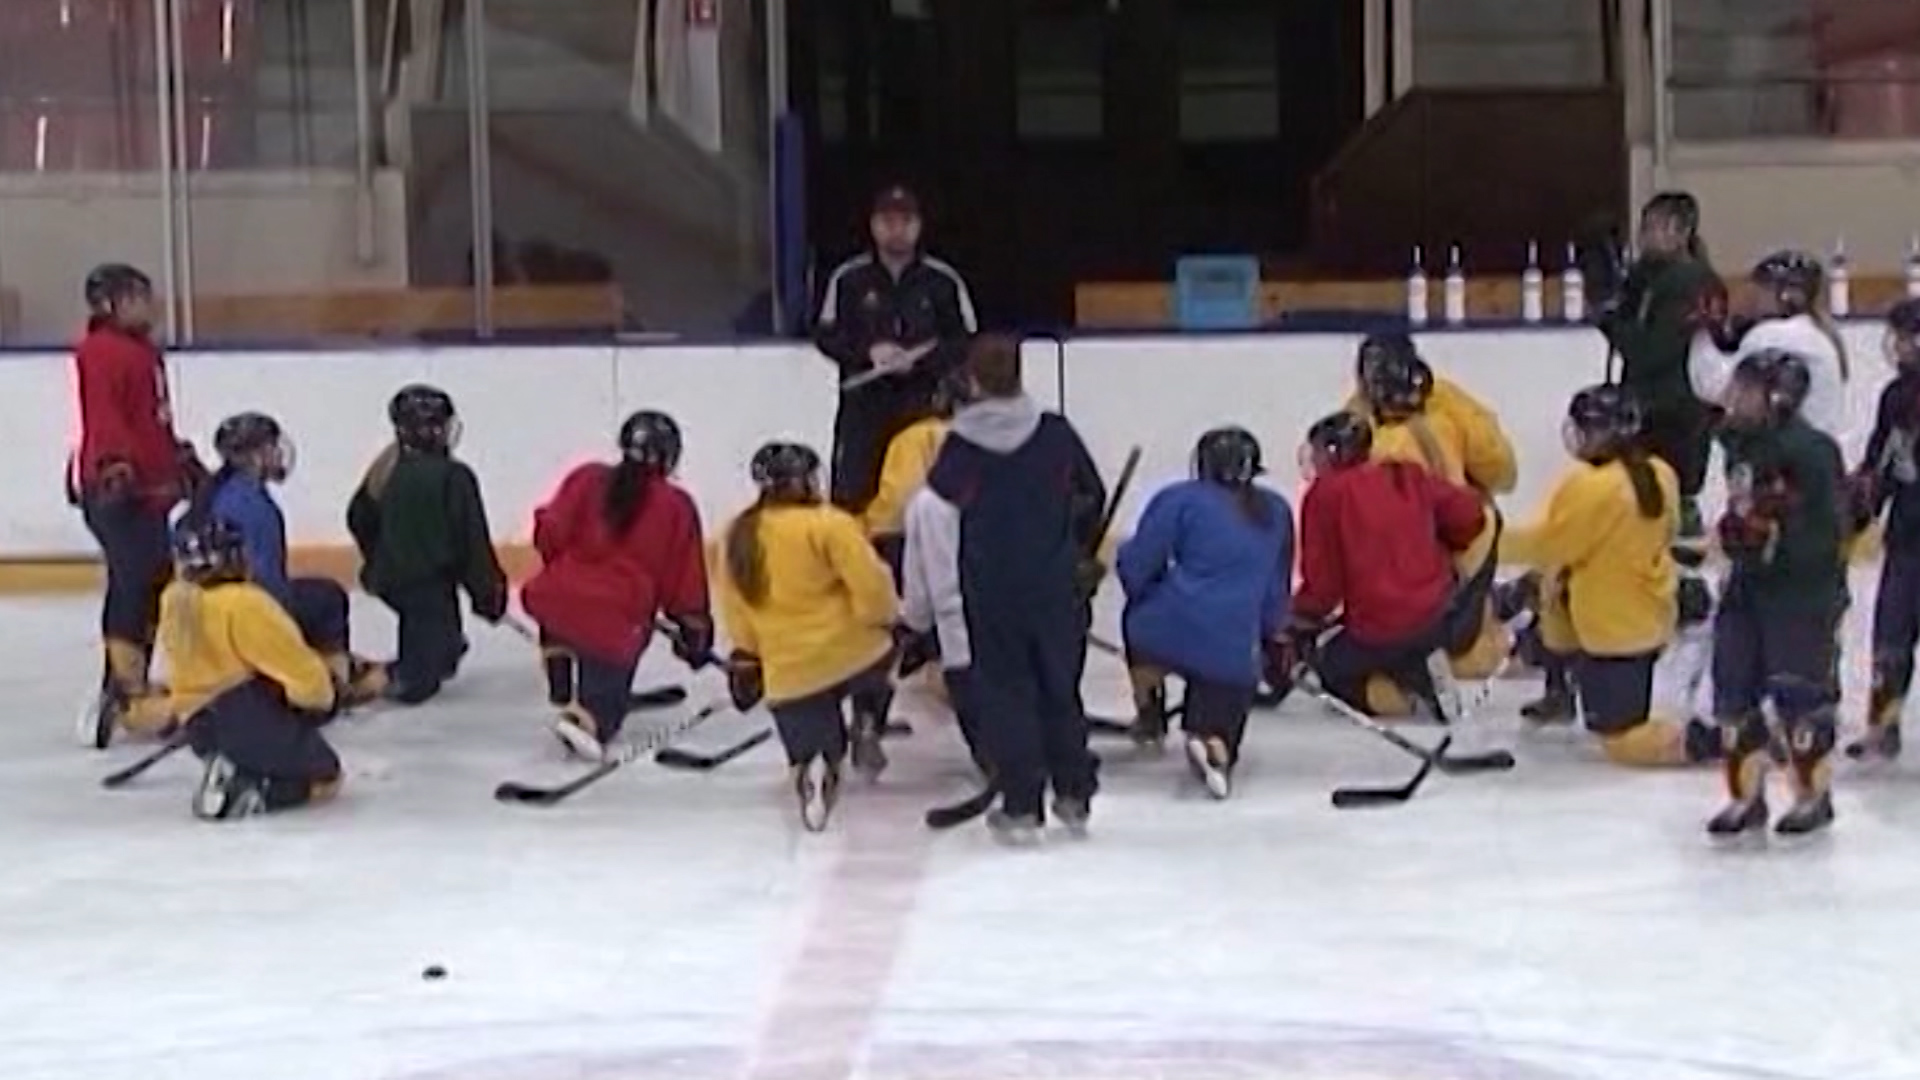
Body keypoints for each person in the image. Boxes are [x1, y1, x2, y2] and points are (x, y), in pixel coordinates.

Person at [909, 334, 1107, 843]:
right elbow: (1092, 494)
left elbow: (941, 503)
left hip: (993, 589)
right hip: (1054, 583)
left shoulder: (962, 445)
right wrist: (1075, 545)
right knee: (1059, 686)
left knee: (1008, 692)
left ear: (972, 381)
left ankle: (1022, 803)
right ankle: (1074, 791)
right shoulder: (1055, 433)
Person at [1499, 385, 1720, 766]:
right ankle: (1559, 687)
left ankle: (1718, 742)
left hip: (1614, 631)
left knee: (1620, 740)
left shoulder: (1590, 487)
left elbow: (1550, 544)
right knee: (1551, 593)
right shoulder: (1661, 473)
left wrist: (1483, 540)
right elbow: (1667, 532)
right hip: (1650, 612)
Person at [714, 442, 898, 832]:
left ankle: (814, 764)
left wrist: (749, 656)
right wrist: (885, 620)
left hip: (790, 673)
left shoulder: (736, 534)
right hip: (854, 654)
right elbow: (872, 586)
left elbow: (734, 605)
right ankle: (867, 718)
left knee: (811, 738)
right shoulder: (831, 524)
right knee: (885, 655)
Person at [1708, 350, 1847, 837]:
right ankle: (1745, 797)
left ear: (1778, 397)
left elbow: (1826, 531)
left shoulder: (1812, 451)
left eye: (1747, 390)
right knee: (1733, 691)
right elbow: (1743, 508)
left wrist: (1774, 538)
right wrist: (1737, 534)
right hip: (1747, 587)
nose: (1735, 398)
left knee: (1799, 694)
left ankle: (1812, 795)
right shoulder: (1740, 443)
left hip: (1800, 595)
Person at [521, 410, 713, 760]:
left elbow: (549, 534)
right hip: (614, 620)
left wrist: (569, 574)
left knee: (564, 605)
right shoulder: (676, 505)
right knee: (606, 690)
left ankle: (558, 655)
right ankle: (587, 717)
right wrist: (694, 628)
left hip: (553, 597)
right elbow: (683, 582)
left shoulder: (586, 477)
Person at [1115, 427, 1293, 798]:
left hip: (1168, 628)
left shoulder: (1179, 499)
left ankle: (1149, 711)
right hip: (1234, 647)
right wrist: (1267, 639)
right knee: (1220, 697)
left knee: (1138, 625)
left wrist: (1135, 581)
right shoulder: (1276, 510)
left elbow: (1137, 566)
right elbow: (1276, 591)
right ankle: (1214, 742)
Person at [69, 263, 206, 746]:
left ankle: (131, 683)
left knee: (151, 579)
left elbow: (149, 418)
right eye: (136, 297)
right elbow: (105, 415)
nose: (149, 305)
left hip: (148, 492)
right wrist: (115, 465)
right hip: (118, 491)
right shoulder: (101, 351)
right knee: (133, 580)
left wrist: (175, 456)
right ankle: (122, 690)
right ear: (110, 304)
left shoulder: (141, 350)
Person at [182, 412, 388, 708]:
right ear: (255, 456)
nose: (278, 453)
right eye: (271, 447)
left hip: (200, 613)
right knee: (327, 597)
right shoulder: (254, 507)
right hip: (242, 616)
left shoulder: (214, 491)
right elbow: (268, 589)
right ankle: (333, 677)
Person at [1289, 412, 1486, 717]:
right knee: (1401, 642)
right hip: (1439, 613)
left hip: (1379, 625)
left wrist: (1299, 616)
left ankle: (1404, 699)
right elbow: (1469, 513)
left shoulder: (1325, 495)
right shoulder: (1404, 474)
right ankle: (1420, 669)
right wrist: (1449, 542)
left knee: (1333, 667)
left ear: (1333, 452)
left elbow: (1324, 586)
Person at [1348, 334, 1513, 686]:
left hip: (1456, 535)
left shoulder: (1438, 415)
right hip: (1436, 541)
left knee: (1459, 652)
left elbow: (1498, 469)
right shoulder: (1362, 417)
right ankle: (1495, 612)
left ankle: (1499, 626)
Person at [158, 518, 342, 821]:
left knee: (250, 742)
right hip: (247, 718)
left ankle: (233, 765)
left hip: (198, 726)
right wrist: (323, 699)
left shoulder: (173, 601)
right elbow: (304, 678)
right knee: (326, 779)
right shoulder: (246, 603)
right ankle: (251, 790)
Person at [815, 184, 980, 514]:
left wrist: (920, 361)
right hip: (864, 407)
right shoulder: (849, 279)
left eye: (906, 221)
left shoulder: (942, 281)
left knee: (927, 497)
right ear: (874, 225)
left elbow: (965, 340)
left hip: (925, 404)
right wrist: (868, 352)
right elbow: (826, 335)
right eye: (888, 221)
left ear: (918, 226)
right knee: (855, 495)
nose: (897, 230)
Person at [346, 384, 509, 705]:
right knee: (418, 682)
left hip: (392, 581)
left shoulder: (387, 466)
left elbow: (358, 516)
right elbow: (472, 543)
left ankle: (434, 652)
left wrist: (380, 558)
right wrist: (488, 594)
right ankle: (371, 680)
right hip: (429, 588)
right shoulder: (455, 476)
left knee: (443, 648)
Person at [1597, 192, 1722, 541]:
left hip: (1677, 408)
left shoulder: (1691, 282)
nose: (1644, 236)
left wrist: (1613, 324)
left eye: (1653, 227)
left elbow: (1653, 350)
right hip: (1649, 402)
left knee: (1669, 497)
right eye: (1644, 227)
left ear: (1680, 231)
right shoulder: (1647, 276)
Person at [1844, 298, 1920, 760]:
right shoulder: (1896, 397)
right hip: (1907, 536)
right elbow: (1883, 459)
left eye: (1905, 337)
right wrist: (1863, 502)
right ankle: (1883, 725)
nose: (1897, 346)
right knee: (1891, 636)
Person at [1688, 250, 1850, 442]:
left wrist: (1701, 334)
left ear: (1788, 295)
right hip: (1817, 445)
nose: (1754, 298)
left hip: (1788, 450)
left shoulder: (1774, 334)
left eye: (1763, 290)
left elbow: (1716, 388)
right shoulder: (1815, 332)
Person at [862, 368, 961, 583]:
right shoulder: (1005, 440)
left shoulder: (917, 437)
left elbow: (900, 499)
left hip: (919, 545)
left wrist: (867, 529)